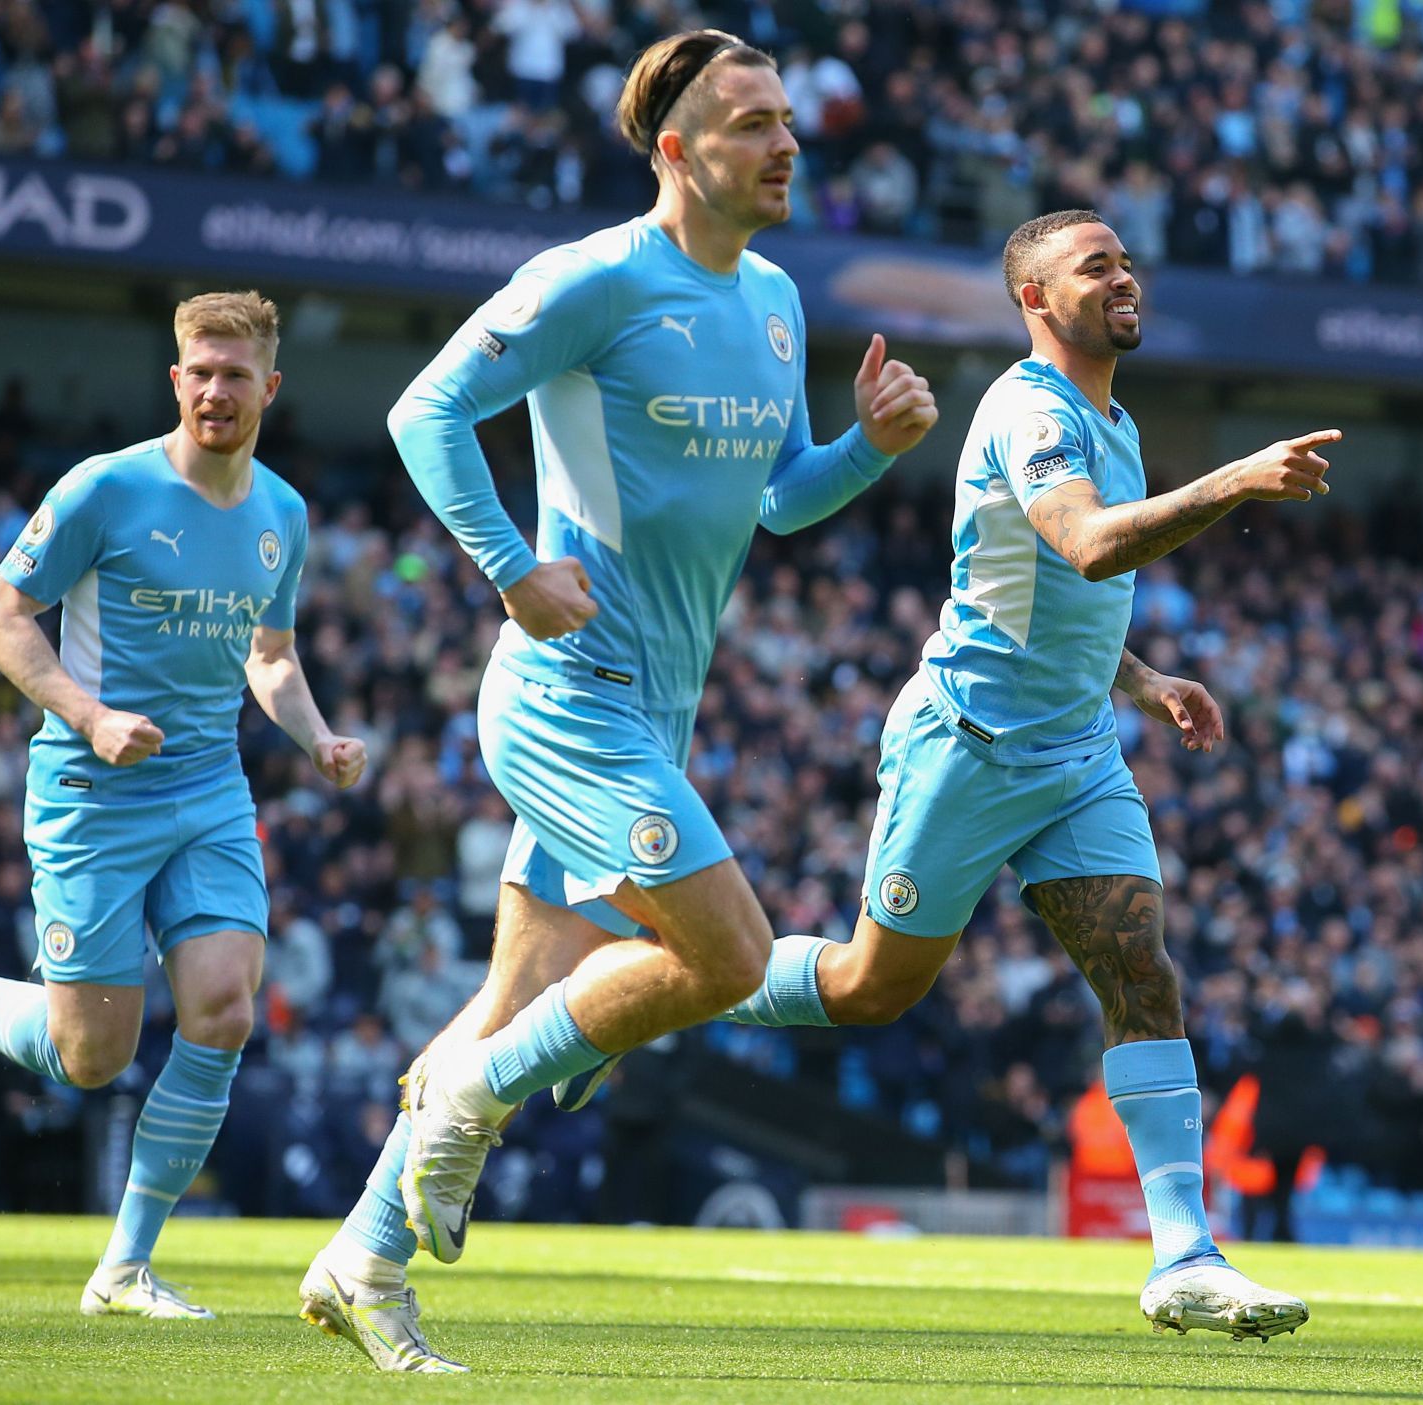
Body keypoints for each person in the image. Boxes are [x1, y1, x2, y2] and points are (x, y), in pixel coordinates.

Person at [297, 28, 936, 1374]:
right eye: (751, 121)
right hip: (562, 697)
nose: (785, 143)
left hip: (655, 711)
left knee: (519, 1002)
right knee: (716, 955)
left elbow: (775, 501)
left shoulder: (772, 301)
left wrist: (866, 450)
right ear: (676, 148)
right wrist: (514, 569)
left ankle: (361, 1256)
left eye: (787, 122)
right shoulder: (596, 278)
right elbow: (429, 411)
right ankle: (466, 1098)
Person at [645, 209, 1336, 1337]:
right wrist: (1239, 480)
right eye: (1093, 265)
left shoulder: (1110, 416)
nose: (1123, 277)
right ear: (1034, 300)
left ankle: (1185, 1256)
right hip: (965, 748)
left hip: (1075, 753)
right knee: (875, 987)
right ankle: (674, 986)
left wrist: (1146, 677)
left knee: (1140, 972)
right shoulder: (1027, 407)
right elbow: (1089, 544)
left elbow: (1055, 596)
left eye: (1125, 260)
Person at [0, 291, 366, 1319]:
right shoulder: (105, 489)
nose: (217, 391)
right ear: (175, 380)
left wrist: (313, 735)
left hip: (210, 786)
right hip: (93, 788)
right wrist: (88, 716)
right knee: (93, 1057)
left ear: (271, 386)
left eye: (237, 375)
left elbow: (271, 655)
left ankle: (125, 1266)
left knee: (224, 1006)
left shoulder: (284, 514)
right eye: (200, 373)